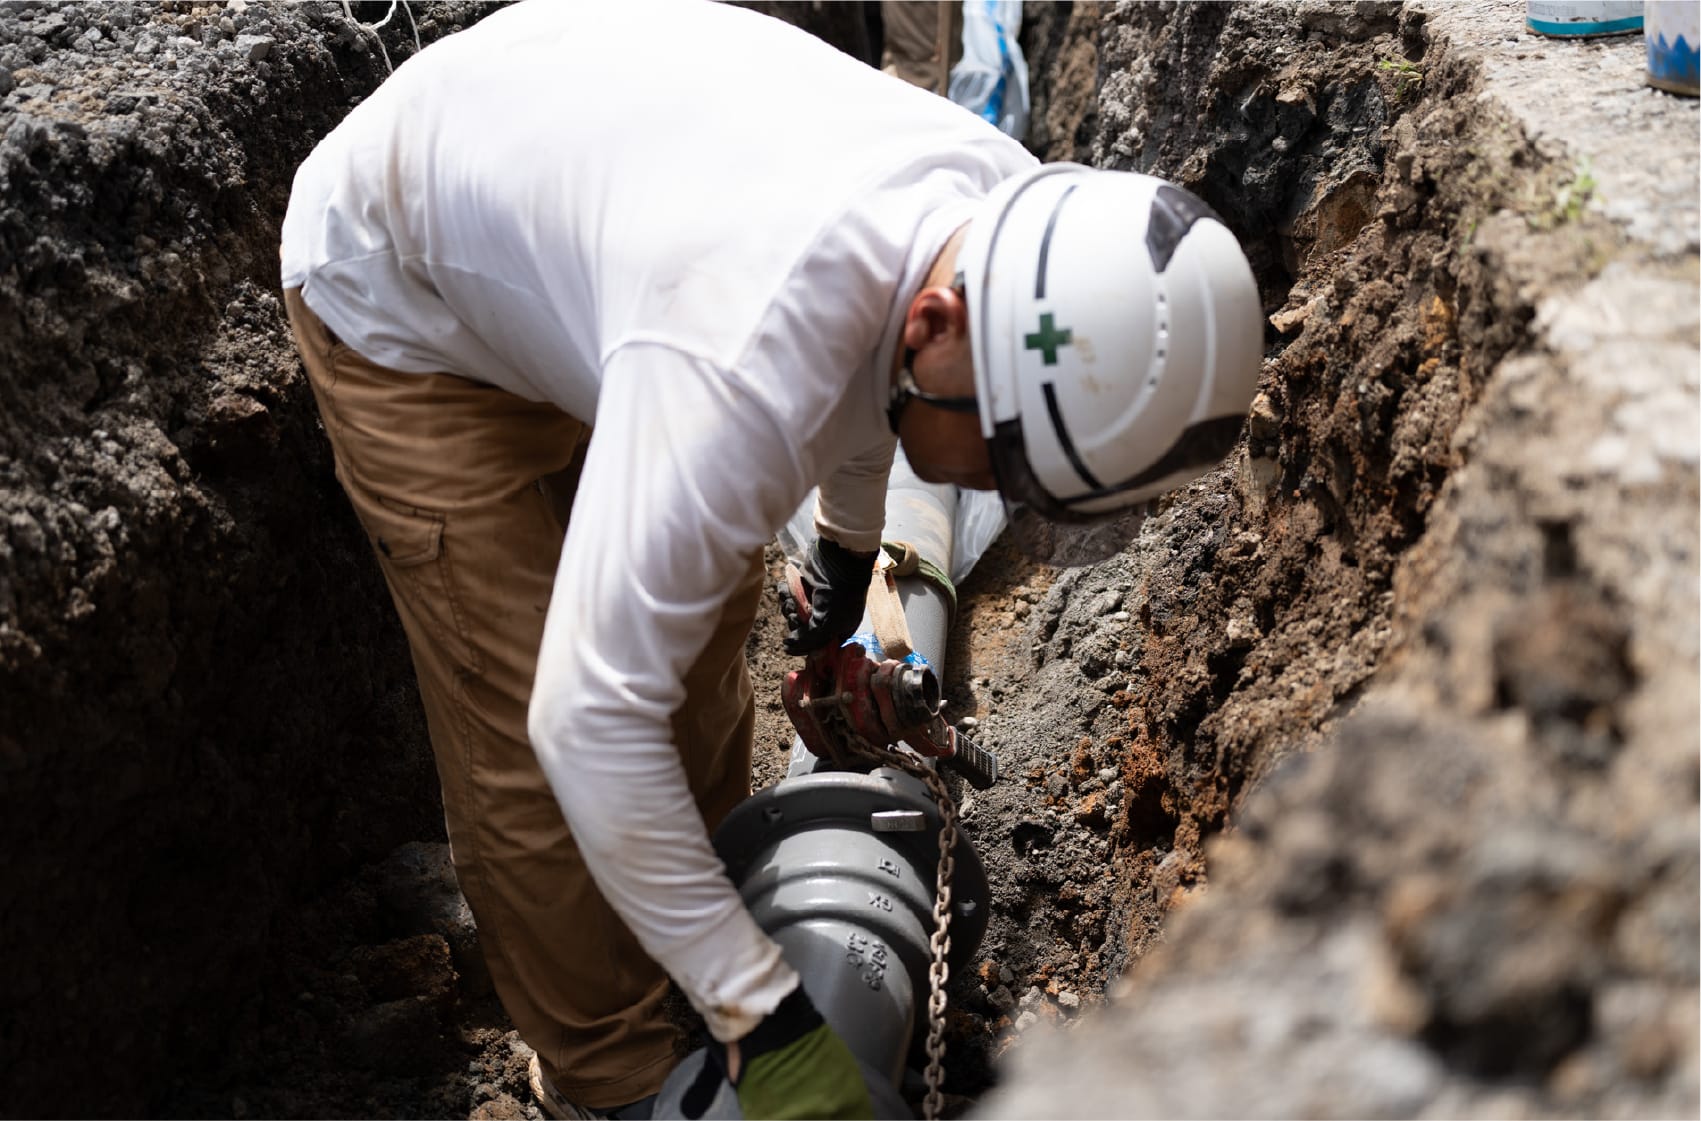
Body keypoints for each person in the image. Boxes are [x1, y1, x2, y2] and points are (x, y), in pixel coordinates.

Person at [279, 2, 1263, 1118]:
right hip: (399, 283)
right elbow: (585, 718)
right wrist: (770, 1017)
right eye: (1001, 463)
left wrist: (847, 550)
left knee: (697, 647)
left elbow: (870, 381)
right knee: (529, 723)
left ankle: (692, 939)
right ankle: (608, 1077)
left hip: (584, 232)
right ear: (942, 324)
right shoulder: (740, 359)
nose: (989, 493)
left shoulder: (993, 211)